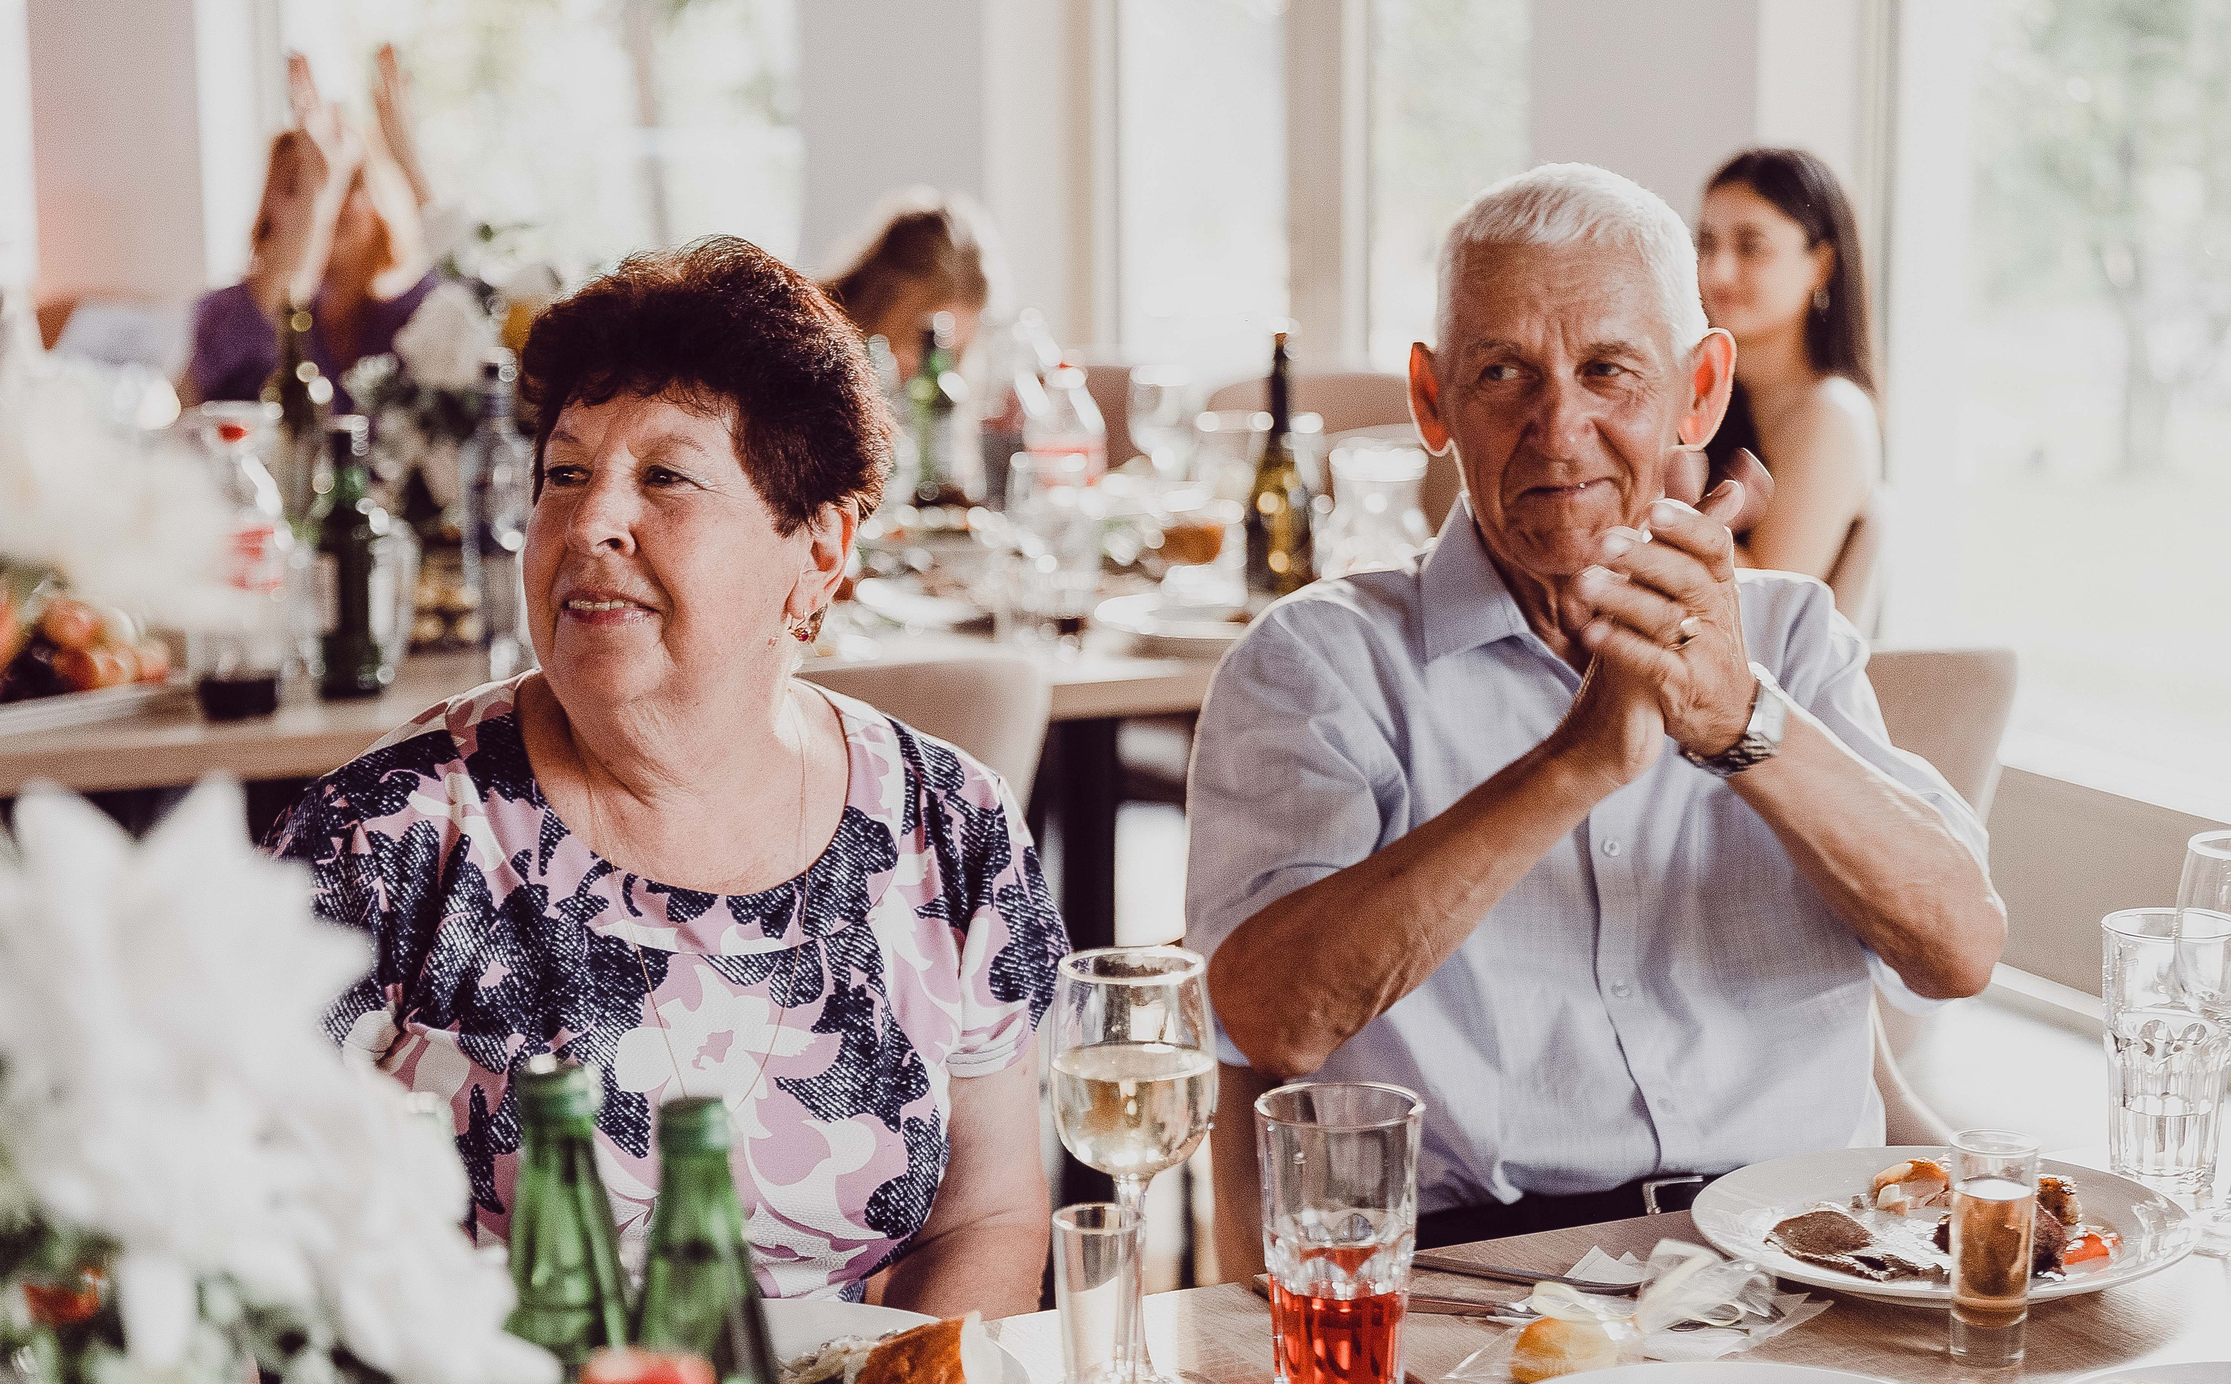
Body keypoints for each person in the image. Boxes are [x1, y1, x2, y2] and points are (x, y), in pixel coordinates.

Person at [1186, 163, 2004, 1261]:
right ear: (1433, 400)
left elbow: (1960, 951)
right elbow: (1270, 1020)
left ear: (1699, 391)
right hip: (1483, 1283)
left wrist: (1740, 720)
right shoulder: (1318, 664)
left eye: (1609, 371)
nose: (1558, 428)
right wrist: (1576, 762)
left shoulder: (1791, 638)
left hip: (1810, 1258)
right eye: (1502, 374)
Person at [269, 236, 1066, 1315]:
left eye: (664, 477)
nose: (590, 522)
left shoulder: (950, 825)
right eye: (565, 473)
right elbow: (255, 1229)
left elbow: (987, 1216)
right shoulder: (387, 838)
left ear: (819, 549)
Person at [188, 49, 440, 408]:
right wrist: (319, 189)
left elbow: (464, 311)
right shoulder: (223, 314)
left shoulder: (406, 312)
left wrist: (408, 159)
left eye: (350, 182)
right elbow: (263, 327)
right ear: (266, 208)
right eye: (297, 185)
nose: (331, 204)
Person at [1693, 148, 1880, 588]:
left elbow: (1773, 598)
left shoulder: (1832, 413)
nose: (1717, 271)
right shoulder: (1710, 395)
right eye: (1707, 243)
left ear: (1822, 264)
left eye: (1750, 247)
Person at [814, 188, 1001, 383]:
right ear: (877, 297)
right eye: (918, 343)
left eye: (952, 355)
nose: (932, 372)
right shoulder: (808, 349)